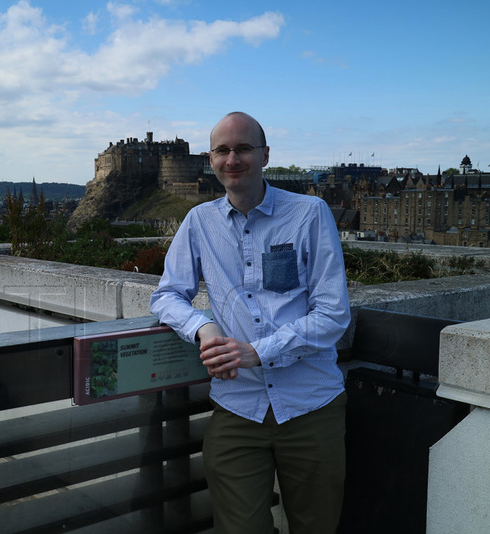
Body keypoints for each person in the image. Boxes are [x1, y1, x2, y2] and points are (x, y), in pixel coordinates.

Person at [150, 111, 350, 534]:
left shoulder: (309, 214)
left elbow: (333, 314)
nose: (232, 159)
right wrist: (203, 327)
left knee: (317, 526)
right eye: (222, 150)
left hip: (310, 405)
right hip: (237, 408)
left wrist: (257, 352)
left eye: (243, 148)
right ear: (210, 159)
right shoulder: (199, 223)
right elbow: (167, 294)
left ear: (264, 155)